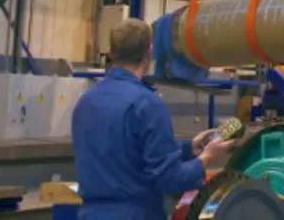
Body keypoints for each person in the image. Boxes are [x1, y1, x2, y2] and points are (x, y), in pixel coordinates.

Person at [72, 19, 236, 219]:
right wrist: (207, 157)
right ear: (149, 52)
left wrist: (187, 148)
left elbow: (125, 152)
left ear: (111, 53)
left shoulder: (85, 101)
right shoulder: (147, 104)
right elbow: (170, 179)